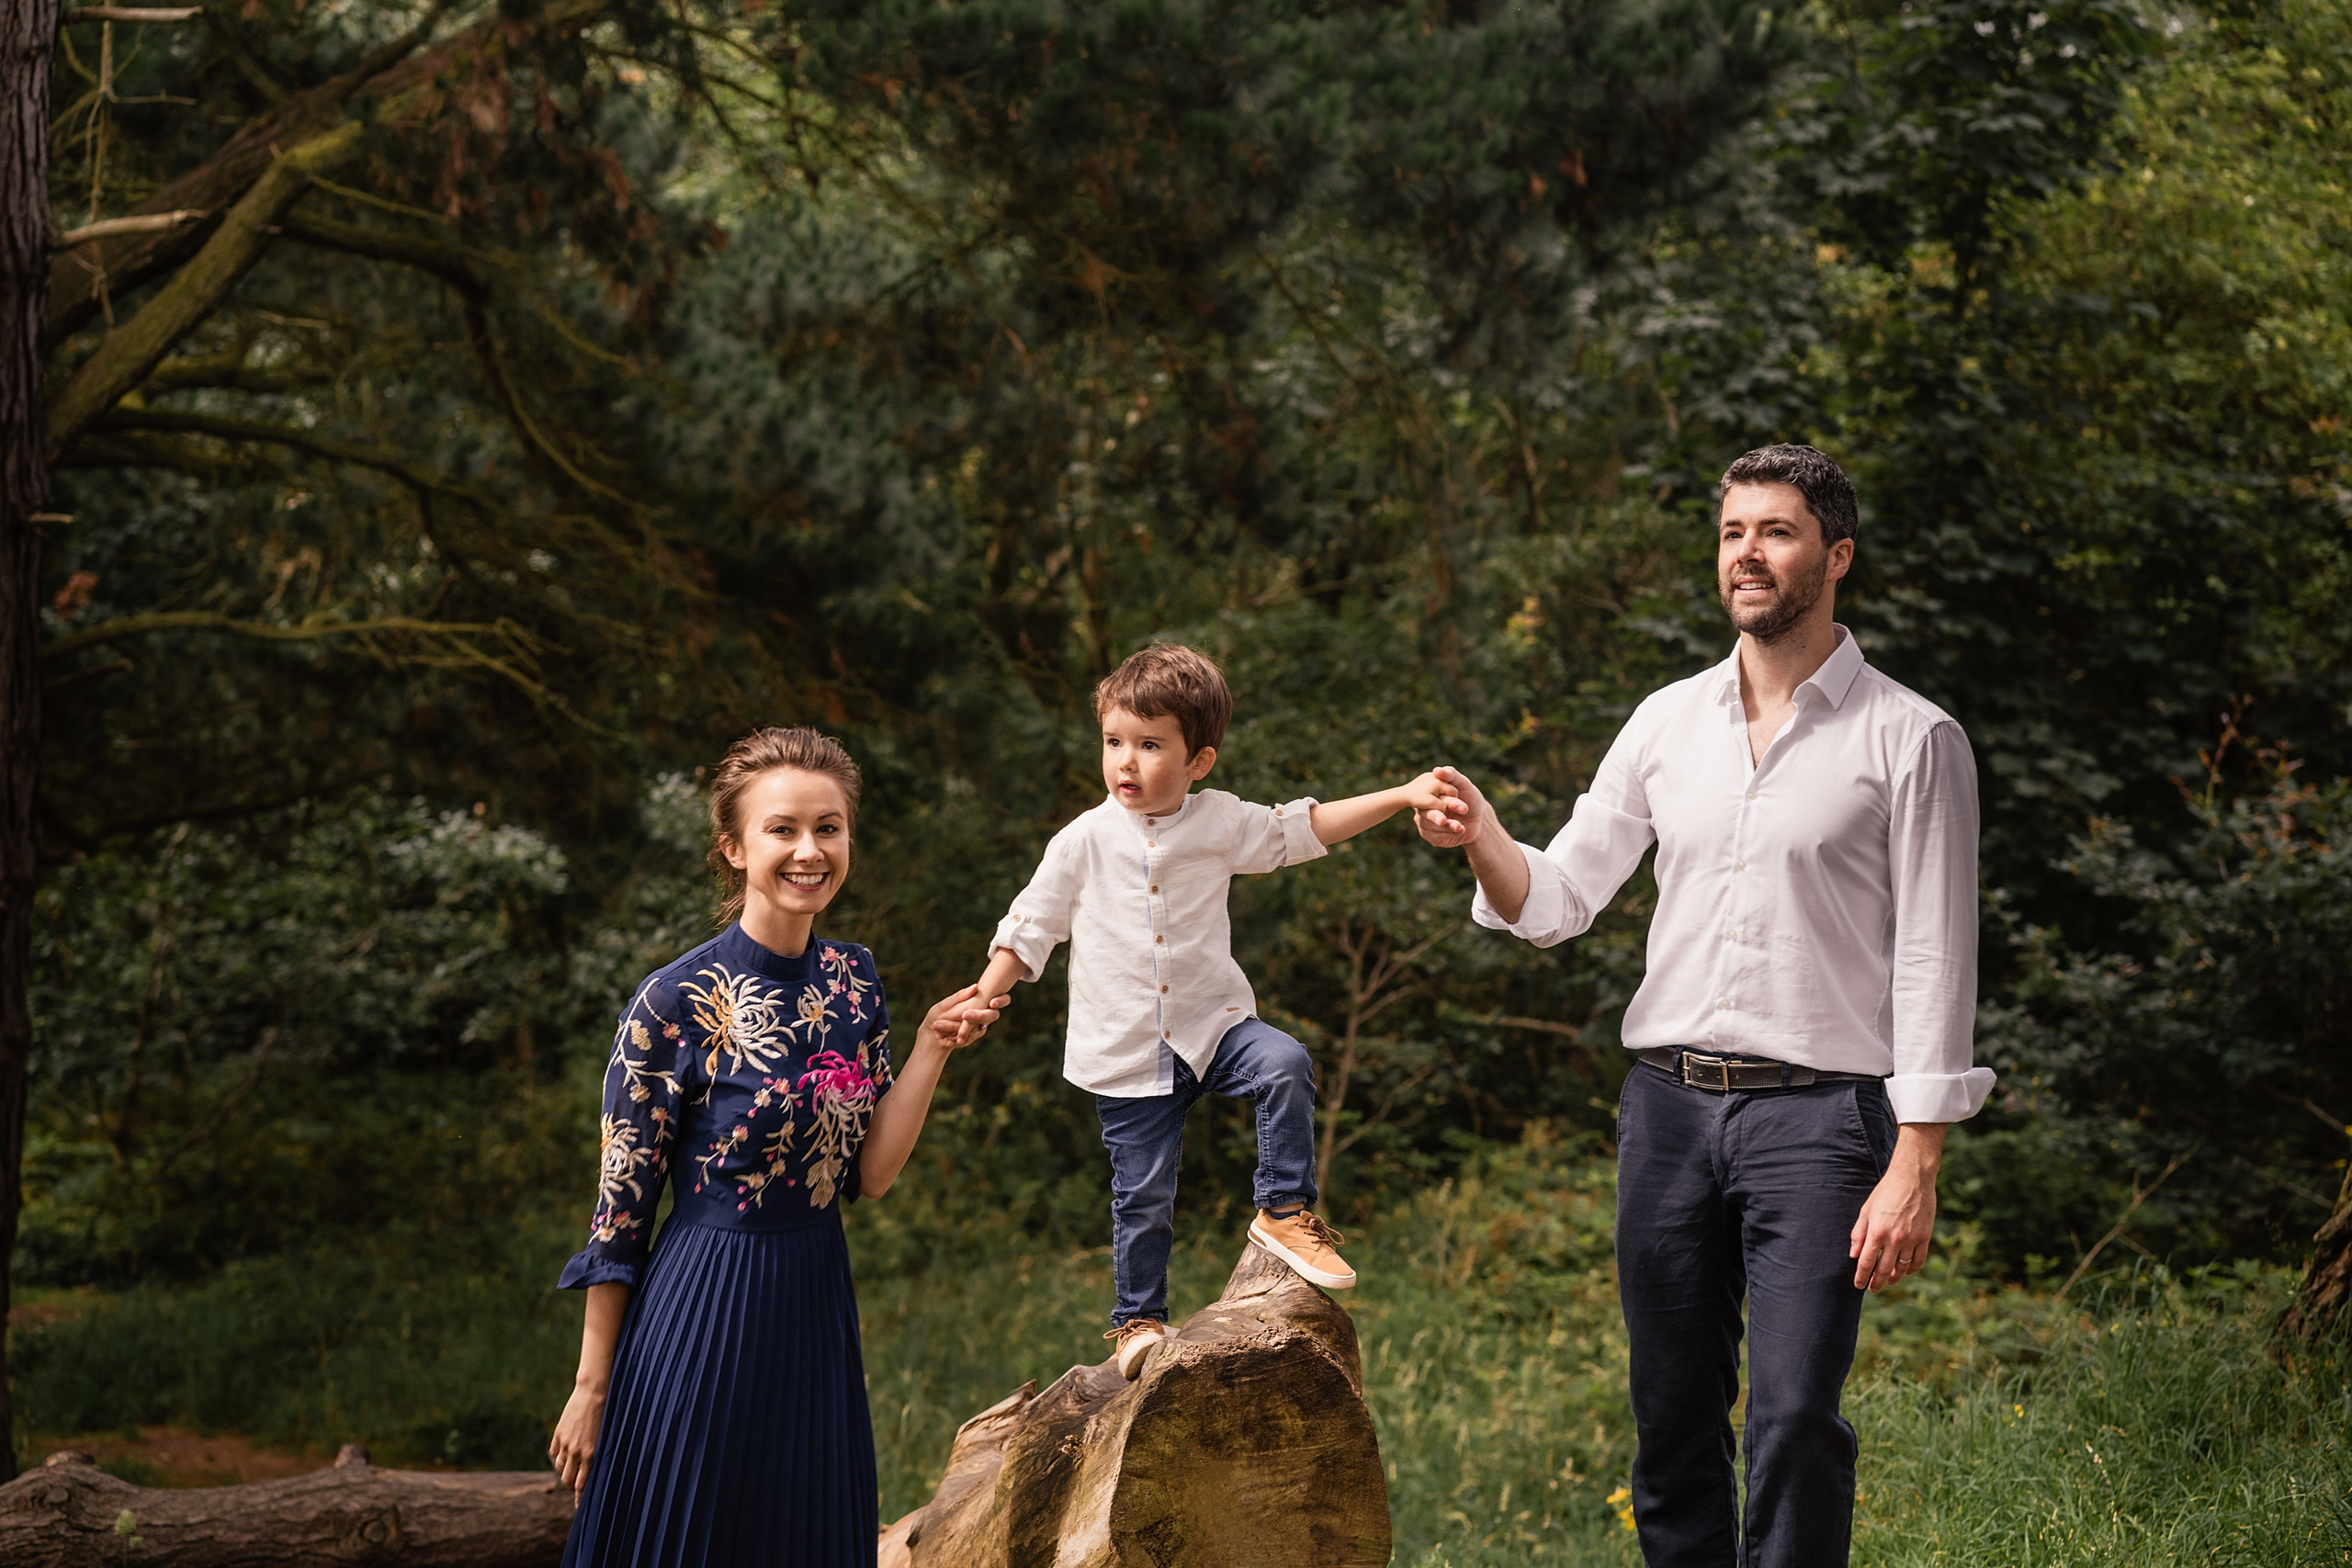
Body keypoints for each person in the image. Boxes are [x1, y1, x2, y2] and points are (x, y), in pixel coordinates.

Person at [1415, 445, 1993, 1566]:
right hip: (1668, 1115)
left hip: (1821, 1123)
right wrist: (1484, 836)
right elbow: (1561, 897)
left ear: (1836, 557)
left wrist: (1915, 1158)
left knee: (1789, 1420)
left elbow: (1935, 954)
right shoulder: (1666, 722)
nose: (1747, 554)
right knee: (1672, 1421)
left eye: (1774, 532)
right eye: (1732, 532)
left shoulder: (1912, 738)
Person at [546, 728, 1003, 1567]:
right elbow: (621, 1213)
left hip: (813, 1304)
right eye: (782, 828)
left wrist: (933, 1046)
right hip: (701, 1308)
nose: (809, 850)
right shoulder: (673, 1001)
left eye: (829, 828)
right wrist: (591, 1385)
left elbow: (871, 1172)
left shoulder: (855, 980)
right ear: (734, 846)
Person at [956, 644, 1453, 1378]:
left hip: (1212, 1028)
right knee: (1145, 1199)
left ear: (1200, 761)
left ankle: (1284, 1210)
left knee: (1283, 1061)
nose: (1126, 760)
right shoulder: (1083, 841)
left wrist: (1403, 795)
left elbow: (1303, 826)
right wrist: (986, 993)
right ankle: (1137, 1321)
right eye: (1114, 741)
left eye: (1150, 744)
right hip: (1125, 1052)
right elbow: (1033, 924)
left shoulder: (1220, 822)